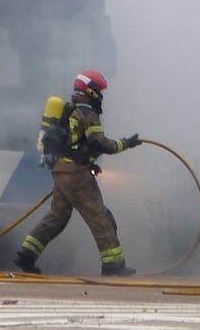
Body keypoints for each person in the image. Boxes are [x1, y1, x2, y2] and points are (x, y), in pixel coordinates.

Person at [15, 70, 142, 277]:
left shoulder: (70, 110)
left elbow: (76, 145)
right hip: (76, 175)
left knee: (57, 217)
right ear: (91, 91)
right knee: (99, 217)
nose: (101, 94)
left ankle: (26, 255)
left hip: (61, 171)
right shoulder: (87, 113)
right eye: (99, 90)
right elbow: (100, 143)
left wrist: (89, 162)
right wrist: (126, 143)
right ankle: (113, 266)